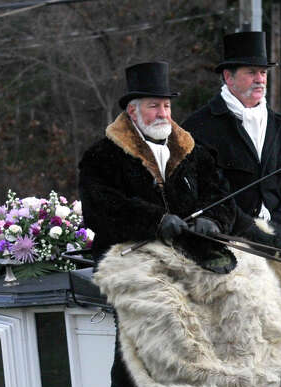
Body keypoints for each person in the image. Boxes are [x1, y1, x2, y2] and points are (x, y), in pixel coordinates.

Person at [182, 30, 281, 282]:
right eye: (251, 72)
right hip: (224, 234)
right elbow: (205, 191)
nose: (260, 79)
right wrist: (246, 227)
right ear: (229, 77)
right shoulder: (200, 127)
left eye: (263, 73)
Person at [78, 60, 236, 269]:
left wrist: (212, 218)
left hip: (191, 251)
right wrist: (155, 222)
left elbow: (220, 194)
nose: (163, 114)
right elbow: (100, 210)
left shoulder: (193, 152)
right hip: (127, 254)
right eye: (154, 106)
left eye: (167, 106)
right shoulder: (102, 155)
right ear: (133, 111)